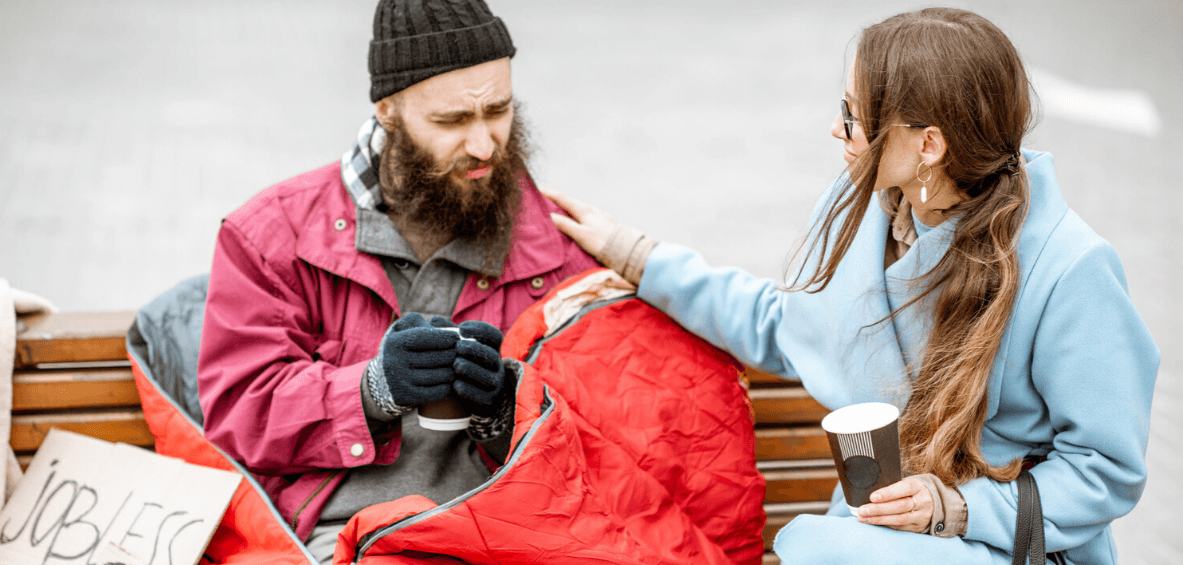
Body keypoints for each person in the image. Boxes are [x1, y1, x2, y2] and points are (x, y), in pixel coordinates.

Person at [547, 7, 1158, 565]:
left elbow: (1105, 470)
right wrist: (638, 256)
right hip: (868, 536)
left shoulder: (1071, 268)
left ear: (929, 146)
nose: (836, 130)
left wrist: (958, 508)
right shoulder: (861, 207)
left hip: (997, 548)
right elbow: (783, 326)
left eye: (853, 116)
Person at [195, 0, 598, 562]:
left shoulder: (560, 245)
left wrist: (508, 412)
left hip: (510, 533)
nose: (484, 145)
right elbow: (241, 411)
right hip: (345, 537)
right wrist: (372, 389)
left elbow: (604, 437)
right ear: (387, 110)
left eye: (498, 111)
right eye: (452, 120)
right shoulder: (270, 235)